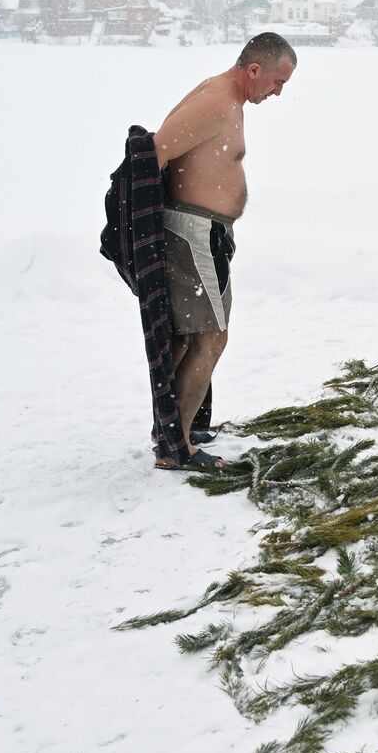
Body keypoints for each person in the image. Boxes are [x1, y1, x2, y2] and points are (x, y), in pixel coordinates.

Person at [151, 32, 296, 468]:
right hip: (192, 232)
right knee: (210, 338)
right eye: (277, 81)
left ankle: (177, 428)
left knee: (190, 337)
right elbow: (155, 152)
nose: (279, 92)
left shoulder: (229, 99)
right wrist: (143, 232)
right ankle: (176, 450)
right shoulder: (216, 99)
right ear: (254, 70)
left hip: (207, 233)